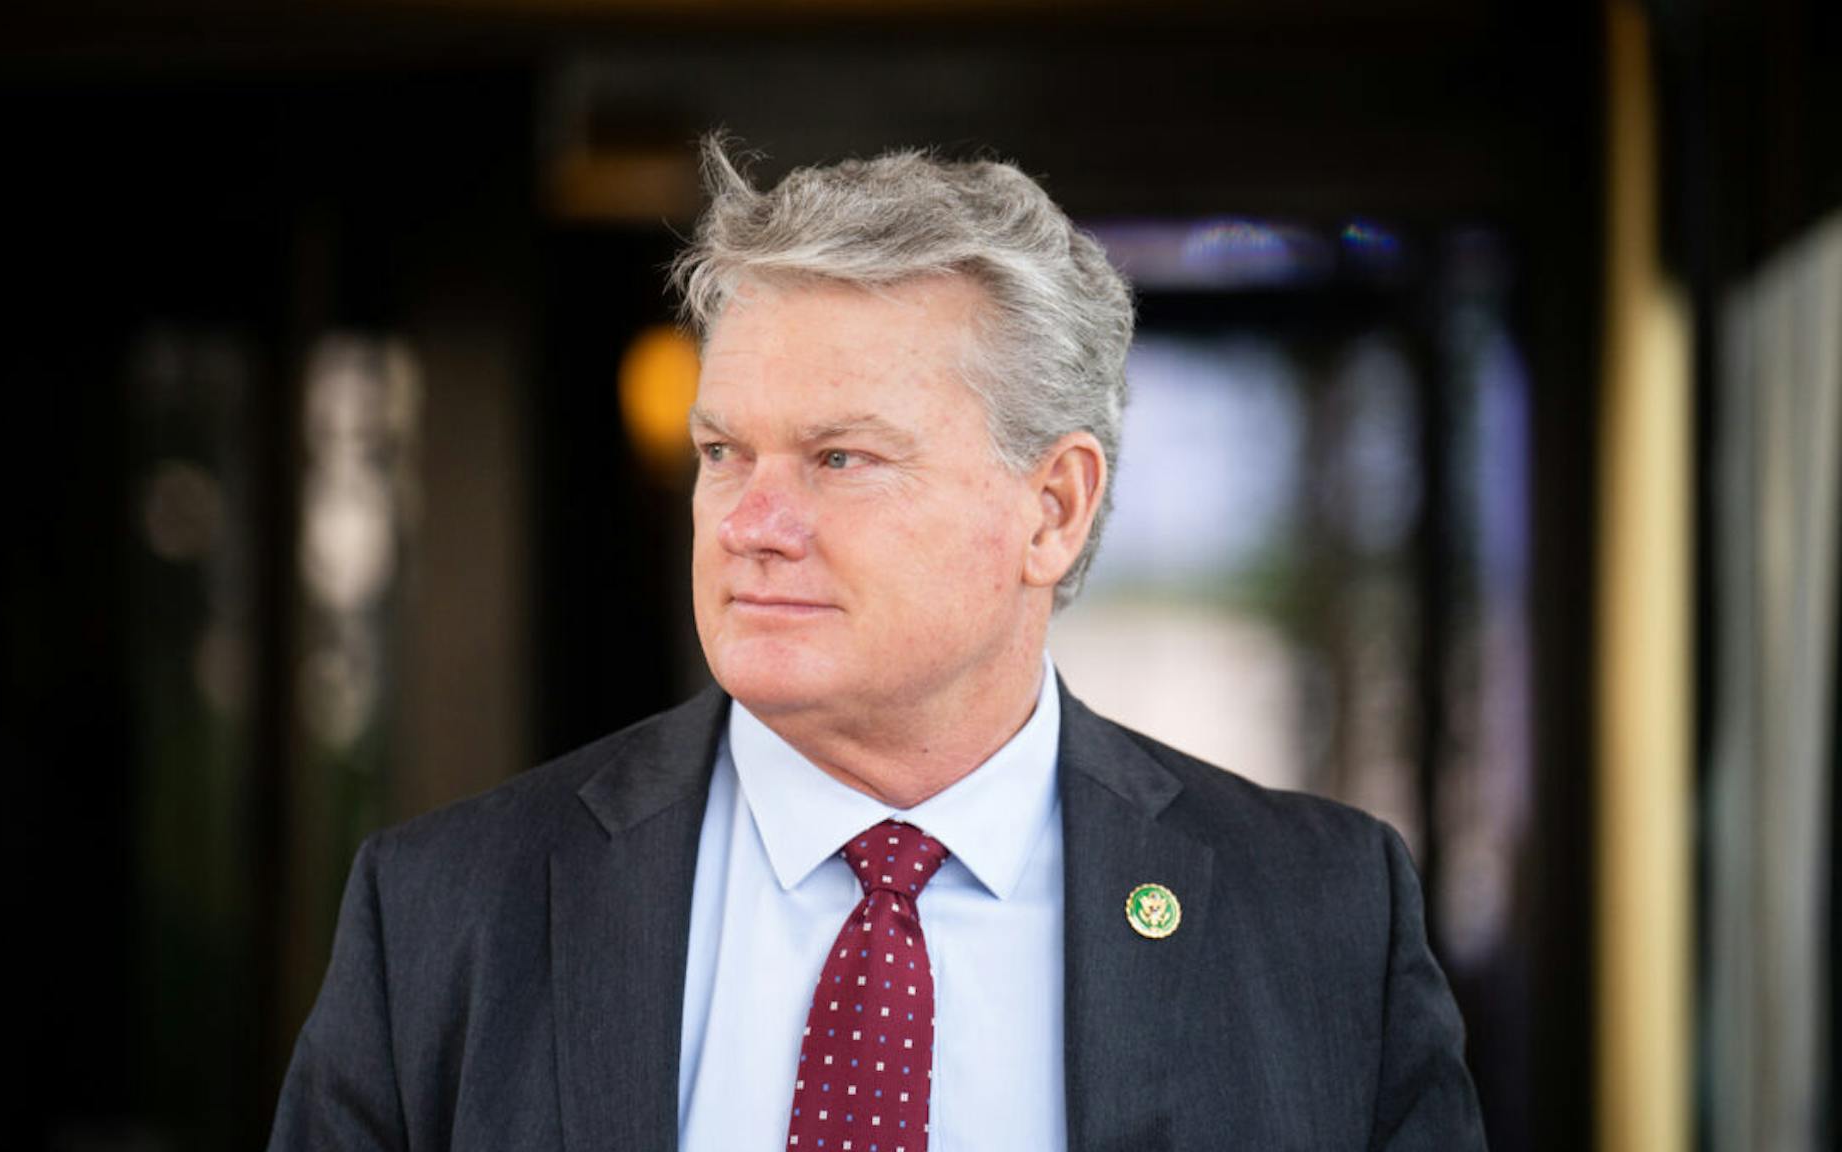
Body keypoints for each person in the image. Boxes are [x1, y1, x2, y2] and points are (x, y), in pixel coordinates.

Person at [268, 136, 1486, 1152]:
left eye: (838, 458)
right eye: (721, 453)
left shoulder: (1322, 919)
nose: (749, 524)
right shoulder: (444, 910)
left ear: (1050, 509)